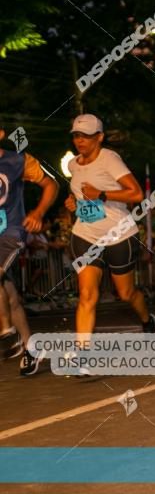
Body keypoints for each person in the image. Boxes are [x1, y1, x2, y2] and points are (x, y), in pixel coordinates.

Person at [64, 114, 155, 347]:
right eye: (76, 136)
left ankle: (147, 320)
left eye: (85, 136)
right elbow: (79, 194)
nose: (80, 141)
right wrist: (72, 202)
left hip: (119, 235)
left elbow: (136, 194)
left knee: (127, 294)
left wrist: (103, 194)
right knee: (87, 295)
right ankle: (82, 354)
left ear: (99, 137)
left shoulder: (110, 159)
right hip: (85, 235)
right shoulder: (73, 164)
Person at [0, 125, 59, 375]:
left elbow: (52, 185)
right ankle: (31, 349)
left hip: (11, 230)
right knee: (9, 295)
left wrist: (38, 212)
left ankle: (6, 332)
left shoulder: (18, 161)